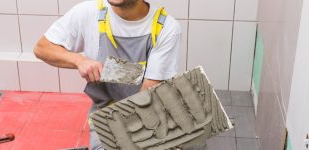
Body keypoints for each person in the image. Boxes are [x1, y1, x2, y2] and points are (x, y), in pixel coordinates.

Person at [34, 0, 197, 149]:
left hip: (149, 111)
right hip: (106, 114)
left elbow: (147, 95)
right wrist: (79, 60)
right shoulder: (89, 12)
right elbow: (42, 48)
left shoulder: (166, 28)